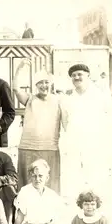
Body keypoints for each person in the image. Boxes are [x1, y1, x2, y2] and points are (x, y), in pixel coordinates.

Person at [62, 64, 112, 201]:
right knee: (75, 174)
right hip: (75, 142)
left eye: (80, 74)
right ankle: (78, 202)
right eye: (74, 75)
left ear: (88, 76)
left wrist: (106, 134)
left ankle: (96, 202)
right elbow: (65, 122)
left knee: (95, 174)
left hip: (94, 142)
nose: (77, 77)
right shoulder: (69, 99)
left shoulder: (99, 96)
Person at [13, 59, 67, 194]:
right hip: (27, 147)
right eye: (40, 83)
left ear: (51, 84)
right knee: (26, 184)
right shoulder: (30, 99)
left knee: (50, 186)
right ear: (36, 85)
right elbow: (15, 88)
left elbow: (67, 123)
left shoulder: (59, 100)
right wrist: (20, 68)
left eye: (46, 82)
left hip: (50, 148)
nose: (44, 85)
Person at [13, 159, 61, 224]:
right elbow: (19, 217)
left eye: (40, 176)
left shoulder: (52, 195)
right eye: (34, 176)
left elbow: (56, 220)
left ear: (47, 177)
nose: (37, 179)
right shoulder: (25, 192)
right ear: (30, 177)